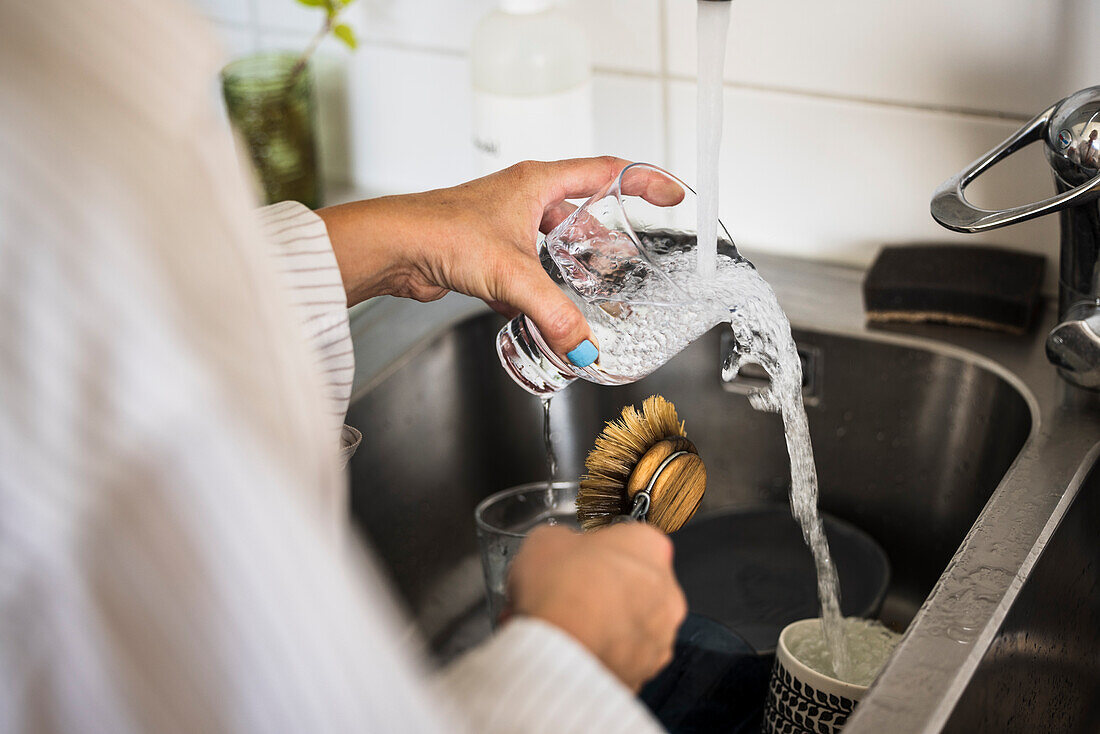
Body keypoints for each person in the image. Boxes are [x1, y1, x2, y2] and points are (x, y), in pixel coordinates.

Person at [0, 1, 687, 733]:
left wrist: (391, 240)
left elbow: (149, 305)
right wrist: (573, 658)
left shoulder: (77, 79)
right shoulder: (50, 131)